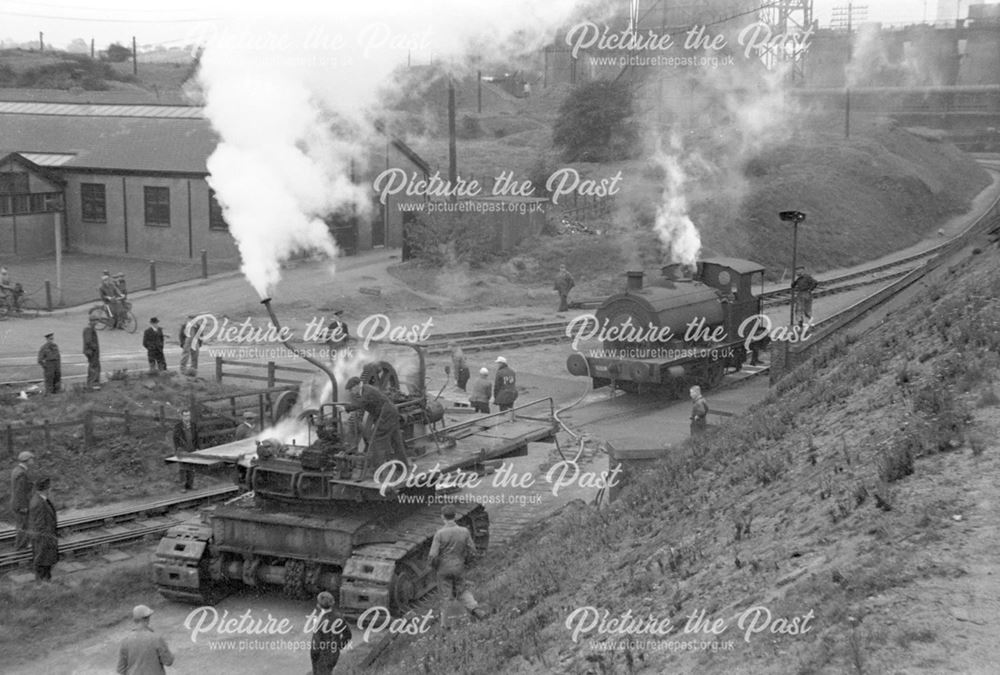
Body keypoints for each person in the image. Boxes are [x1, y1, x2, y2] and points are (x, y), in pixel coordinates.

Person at [428, 504, 485, 627]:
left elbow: (433, 555)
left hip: (443, 569)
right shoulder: (464, 531)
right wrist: (465, 562)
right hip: (459, 567)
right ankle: (476, 610)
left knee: (446, 597)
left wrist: (434, 566)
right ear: (455, 516)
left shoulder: (439, 534)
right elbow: (473, 550)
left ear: (442, 517)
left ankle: (446, 625)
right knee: (462, 591)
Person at [343, 377, 413, 473]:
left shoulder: (367, 392)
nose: (351, 392)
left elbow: (361, 404)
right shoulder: (366, 389)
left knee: (377, 441)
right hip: (390, 414)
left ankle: (378, 470)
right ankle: (403, 467)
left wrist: (345, 408)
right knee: (396, 441)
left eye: (351, 389)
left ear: (357, 386)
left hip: (386, 416)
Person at [117, 604, 175, 675]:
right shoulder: (156, 639)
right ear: (147, 619)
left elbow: (121, 669)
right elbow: (168, 661)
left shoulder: (125, 641)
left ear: (134, 620)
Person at [310, 591, 352, 675]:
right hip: (334, 654)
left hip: (321, 656)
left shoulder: (319, 621)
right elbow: (348, 635)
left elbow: (316, 643)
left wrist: (314, 657)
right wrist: (339, 646)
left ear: (319, 605)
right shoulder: (339, 617)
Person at [28, 476, 57, 582]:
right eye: (49, 487)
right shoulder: (39, 503)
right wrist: (48, 539)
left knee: (46, 564)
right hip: (43, 539)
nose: (51, 489)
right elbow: (39, 526)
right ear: (46, 489)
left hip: (45, 538)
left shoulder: (41, 499)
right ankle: (42, 585)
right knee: (42, 563)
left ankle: (46, 583)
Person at [10, 451, 35, 550]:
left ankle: (22, 545)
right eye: (31, 459)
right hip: (20, 504)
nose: (33, 461)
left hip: (17, 503)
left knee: (22, 525)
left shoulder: (17, 470)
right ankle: (20, 548)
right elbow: (20, 492)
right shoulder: (21, 473)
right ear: (27, 460)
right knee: (23, 526)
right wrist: (23, 506)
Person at [172, 410, 198, 491]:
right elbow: (175, 439)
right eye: (185, 416)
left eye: (189, 415)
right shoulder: (178, 427)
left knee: (192, 467)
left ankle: (190, 485)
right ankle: (182, 486)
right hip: (182, 449)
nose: (187, 417)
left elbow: (197, 437)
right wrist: (178, 449)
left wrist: (197, 448)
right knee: (183, 468)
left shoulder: (193, 425)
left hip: (192, 448)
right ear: (182, 416)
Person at [83, 317, 101, 390]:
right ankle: (92, 385)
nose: (97, 322)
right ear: (92, 321)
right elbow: (88, 341)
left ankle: (94, 384)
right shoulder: (88, 329)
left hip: (92, 352)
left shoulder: (91, 329)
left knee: (95, 366)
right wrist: (94, 347)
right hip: (91, 352)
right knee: (94, 367)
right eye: (96, 321)